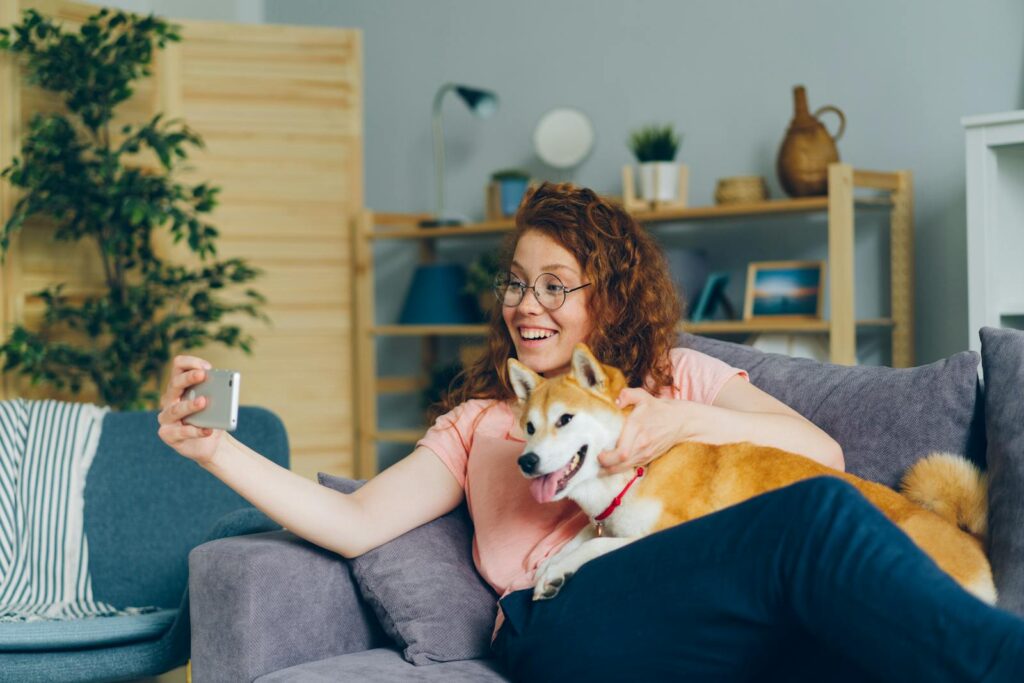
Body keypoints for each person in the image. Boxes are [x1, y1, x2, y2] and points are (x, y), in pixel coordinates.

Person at [158, 182, 1024, 682]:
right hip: (561, 618)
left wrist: (679, 419)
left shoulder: (678, 378)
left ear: (604, 297)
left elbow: (821, 453)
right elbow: (349, 522)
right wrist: (215, 448)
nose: (526, 304)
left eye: (554, 285)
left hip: (700, 603)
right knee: (812, 521)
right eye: (515, 283)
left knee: (829, 582)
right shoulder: (483, 425)